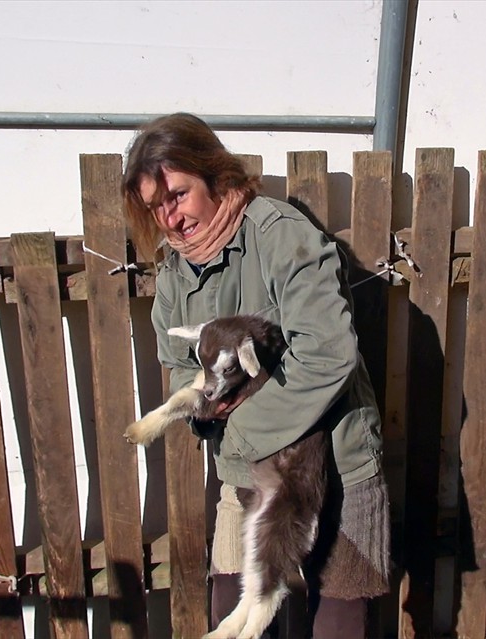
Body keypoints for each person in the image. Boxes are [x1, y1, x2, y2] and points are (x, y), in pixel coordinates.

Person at [121, 113, 389, 638]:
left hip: (335, 463)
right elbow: (180, 367)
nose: (170, 218)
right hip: (245, 475)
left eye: (178, 194)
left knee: (337, 621)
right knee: (237, 612)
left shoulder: (280, 235)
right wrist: (201, 408)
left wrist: (236, 427)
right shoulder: (174, 273)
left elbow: (326, 352)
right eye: (157, 206)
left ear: (215, 176)